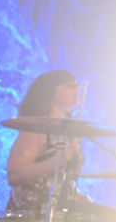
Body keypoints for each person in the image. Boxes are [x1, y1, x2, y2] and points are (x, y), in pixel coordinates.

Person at [5, 69, 84, 213]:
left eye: (76, 85)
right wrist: (55, 162)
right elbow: (14, 175)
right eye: (69, 85)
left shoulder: (70, 132)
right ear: (51, 93)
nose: (78, 88)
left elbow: (60, 180)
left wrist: (80, 197)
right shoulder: (37, 129)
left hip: (58, 210)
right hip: (30, 214)